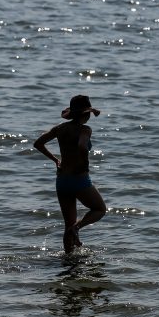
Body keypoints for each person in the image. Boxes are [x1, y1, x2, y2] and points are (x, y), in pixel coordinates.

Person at [34, 95, 107, 253]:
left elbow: (38, 143)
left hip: (62, 180)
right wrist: (85, 161)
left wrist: (55, 160)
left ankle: (68, 261)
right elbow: (81, 145)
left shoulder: (60, 128)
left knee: (68, 224)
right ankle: (78, 228)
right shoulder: (85, 129)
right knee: (100, 209)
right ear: (86, 114)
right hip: (79, 179)